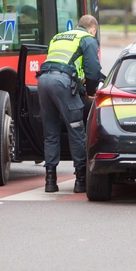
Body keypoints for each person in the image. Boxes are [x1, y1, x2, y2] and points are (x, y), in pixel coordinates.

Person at [37, 15, 103, 193]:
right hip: (62, 84)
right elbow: (93, 70)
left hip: (43, 81)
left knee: (50, 133)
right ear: (93, 30)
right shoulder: (87, 40)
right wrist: (90, 91)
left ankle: (50, 181)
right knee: (76, 130)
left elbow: (63, 63)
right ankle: (80, 181)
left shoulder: (58, 37)